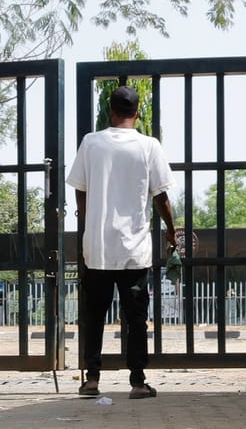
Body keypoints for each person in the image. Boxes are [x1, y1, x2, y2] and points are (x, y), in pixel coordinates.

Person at [67, 86, 179, 399]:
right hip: (134, 249)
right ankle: (138, 382)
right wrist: (171, 230)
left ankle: (91, 380)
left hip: (98, 247)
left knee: (94, 317)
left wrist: (89, 223)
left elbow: (80, 188)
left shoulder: (91, 143)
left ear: (110, 111)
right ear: (137, 112)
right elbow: (162, 196)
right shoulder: (148, 145)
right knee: (136, 321)